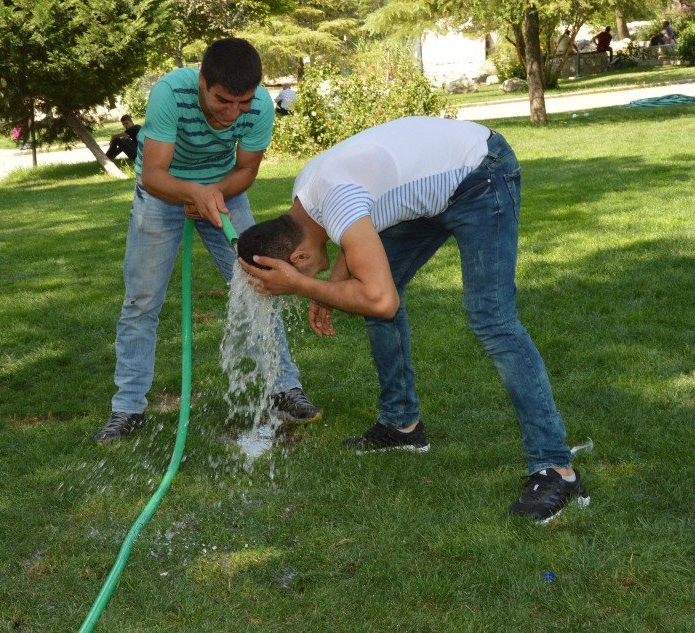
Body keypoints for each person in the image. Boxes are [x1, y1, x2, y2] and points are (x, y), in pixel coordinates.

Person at [237, 116, 589, 523]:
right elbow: (360, 234)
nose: (305, 277)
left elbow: (380, 299)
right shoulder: (306, 195)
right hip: (431, 190)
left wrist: (304, 287)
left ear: (297, 258)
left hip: (481, 173)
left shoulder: (337, 200)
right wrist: (333, 285)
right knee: (368, 296)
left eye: (299, 272)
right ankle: (401, 425)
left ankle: (556, 468)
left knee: (490, 316)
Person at [95, 37, 322, 444]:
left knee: (261, 282)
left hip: (225, 192)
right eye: (223, 101)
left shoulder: (261, 107)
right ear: (202, 82)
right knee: (140, 300)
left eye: (243, 102)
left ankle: (285, 388)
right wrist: (193, 194)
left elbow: (247, 169)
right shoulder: (170, 93)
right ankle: (128, 408)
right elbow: (154, 173)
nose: (233, 113)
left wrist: (212, 193)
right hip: (161, 194)